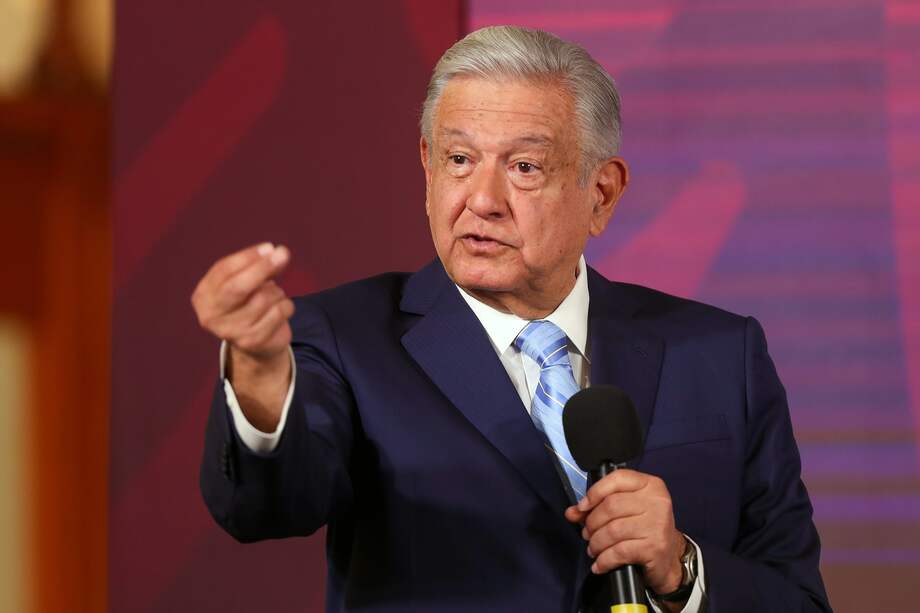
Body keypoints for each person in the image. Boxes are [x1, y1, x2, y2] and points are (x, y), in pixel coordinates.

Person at [194, 26, 831, 613]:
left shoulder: (721, 353)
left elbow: (798, 600)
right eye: (459, 160)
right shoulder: (342, 336)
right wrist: (257, 372)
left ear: (601, 193)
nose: (482, 200)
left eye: (524, 167)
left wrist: (680, 570)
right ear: (427, 166)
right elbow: (266, 507)